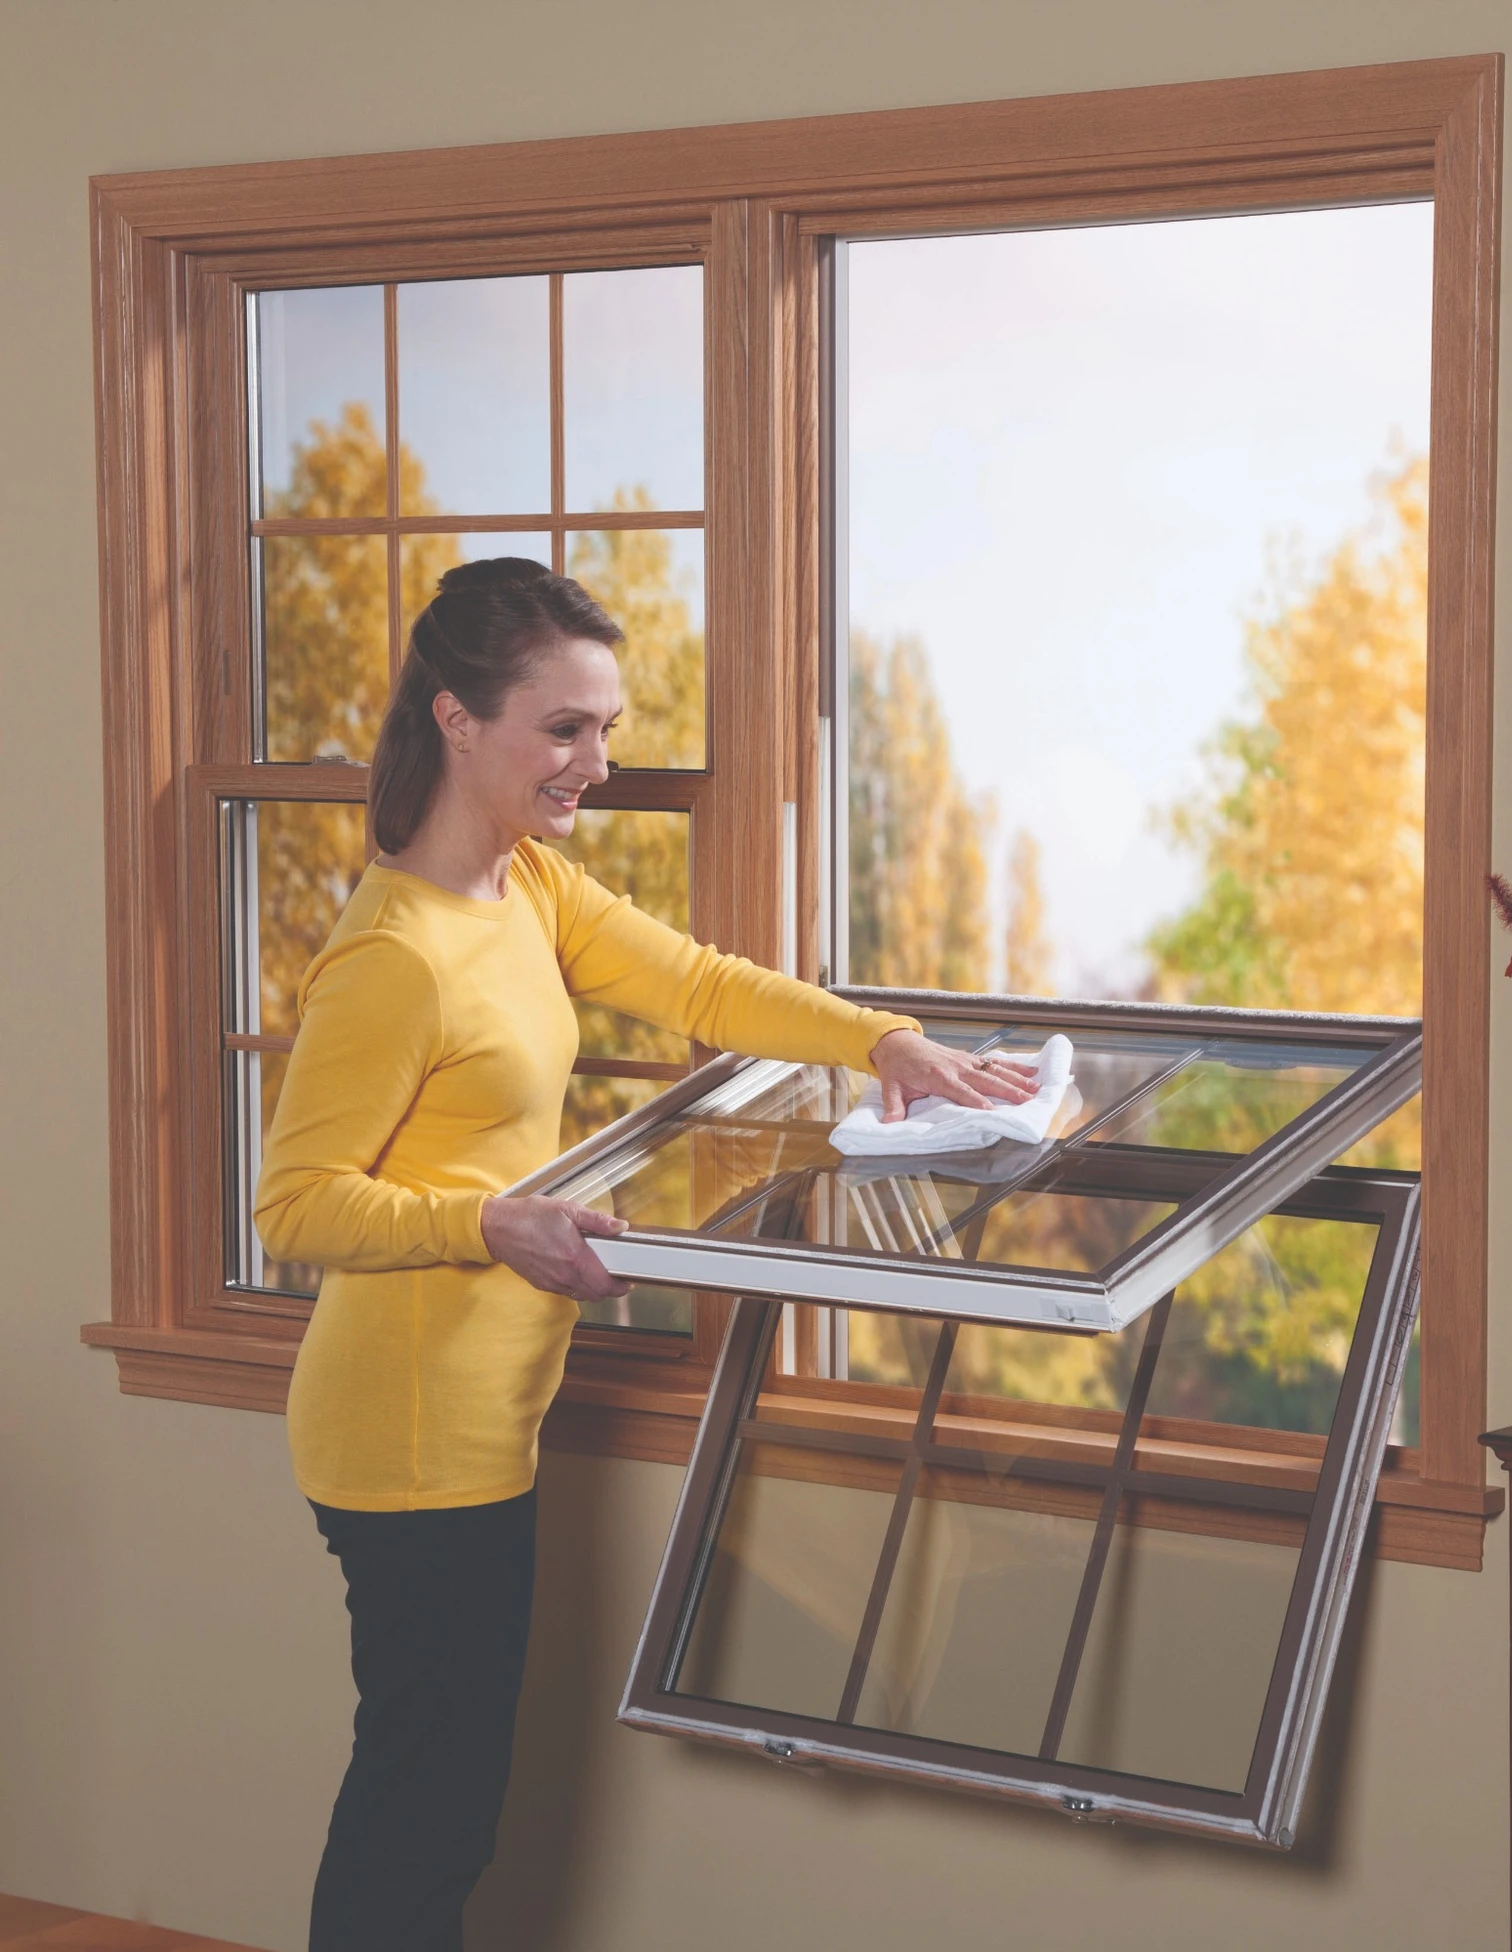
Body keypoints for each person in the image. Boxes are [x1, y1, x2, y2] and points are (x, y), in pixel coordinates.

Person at [254, 558, 1036, 1952]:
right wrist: (489, 1222)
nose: (595, 762)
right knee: (425, 1818)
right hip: (406, 1439)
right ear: (456, 719)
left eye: (606, 730)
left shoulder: (530, 892)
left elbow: (696, 982)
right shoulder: (396, 957)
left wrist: (883, 1039)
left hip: (481, 1426)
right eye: (566, 729)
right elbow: (295, 1205)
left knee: (434, 1806)